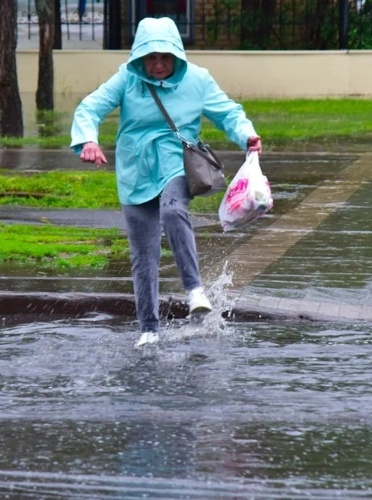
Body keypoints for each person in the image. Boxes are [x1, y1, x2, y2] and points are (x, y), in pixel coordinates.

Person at [70, 17, 261, 346]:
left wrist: (246, 135)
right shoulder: (127, 78)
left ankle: (195, 291)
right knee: (143, 255)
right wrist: (88, 140)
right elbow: (90, 108)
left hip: (177, 163)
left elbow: (228, 112)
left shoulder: (198, 80)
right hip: (134, 171)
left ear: (177, 56)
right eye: (151, 58)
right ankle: (148, 330)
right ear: (140, 58)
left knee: (173, 210)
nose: (158, 65)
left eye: (165, 57)